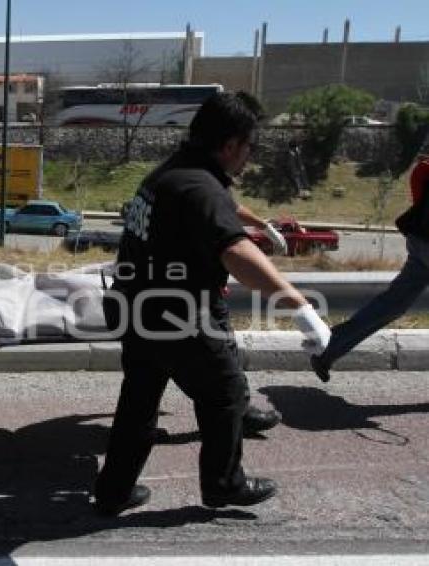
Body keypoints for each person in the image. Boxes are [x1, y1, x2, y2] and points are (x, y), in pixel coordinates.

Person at [94, 92, 331, 516]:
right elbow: (236, 255)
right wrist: (301, 308)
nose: (249, 157)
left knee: (139, 402)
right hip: (177, 315)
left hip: (137, 307)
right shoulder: (199, 187)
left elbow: (222, 205)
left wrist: (261, 224)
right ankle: (224, 484)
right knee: (224, 392)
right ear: (230, 145)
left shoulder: (172, 173)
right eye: (249, 147)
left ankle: (113, 491)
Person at [311, 153, 429, 383]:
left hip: (421, 243)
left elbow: (418, 189)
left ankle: (330, 349)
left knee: (391, 304)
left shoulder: (423, 169)